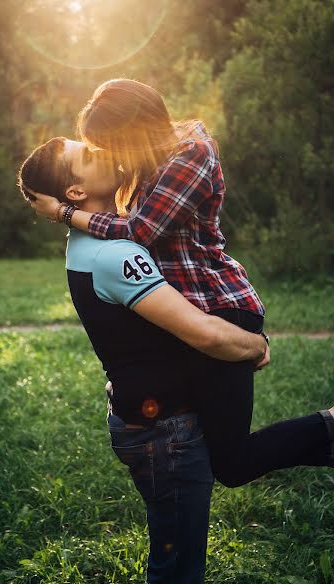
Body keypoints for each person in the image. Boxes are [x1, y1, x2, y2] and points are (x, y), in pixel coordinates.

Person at [19, 136, 334, 584]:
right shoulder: (116, 255)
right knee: (175, 579)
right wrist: (254, 344)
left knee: (177, 558)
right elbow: (203, 333)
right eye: (87, 154)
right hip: (164, 436)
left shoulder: (90, 241)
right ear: (75, 193)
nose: (102, 148)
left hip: (152, 424)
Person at [29, 80, 334, 488]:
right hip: (194, 308)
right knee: (218, 452)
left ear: (134, 130)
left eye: (108, 142)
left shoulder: (191, 154)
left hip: (219, 306)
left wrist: (67, 213)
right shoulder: (148, 157)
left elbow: (140, 230)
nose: (107, 153)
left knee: (232, 464)